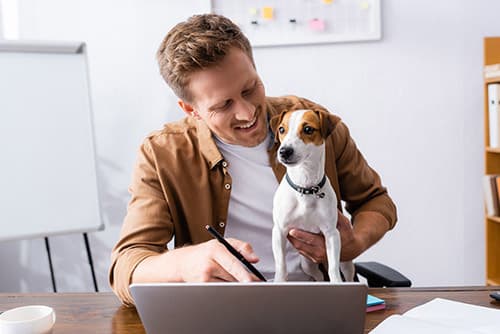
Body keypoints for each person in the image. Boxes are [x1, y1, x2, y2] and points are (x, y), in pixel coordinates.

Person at [109, 13, 397, 306]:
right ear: (190, 109)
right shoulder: (162, 154)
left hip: (321, 300)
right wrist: (186, 263)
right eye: (223, 105)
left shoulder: (311, 123)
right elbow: (126, 266)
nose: (248, 114)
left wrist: (354, 243)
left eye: (250, 88)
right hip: (223, 309)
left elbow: (376, 201)